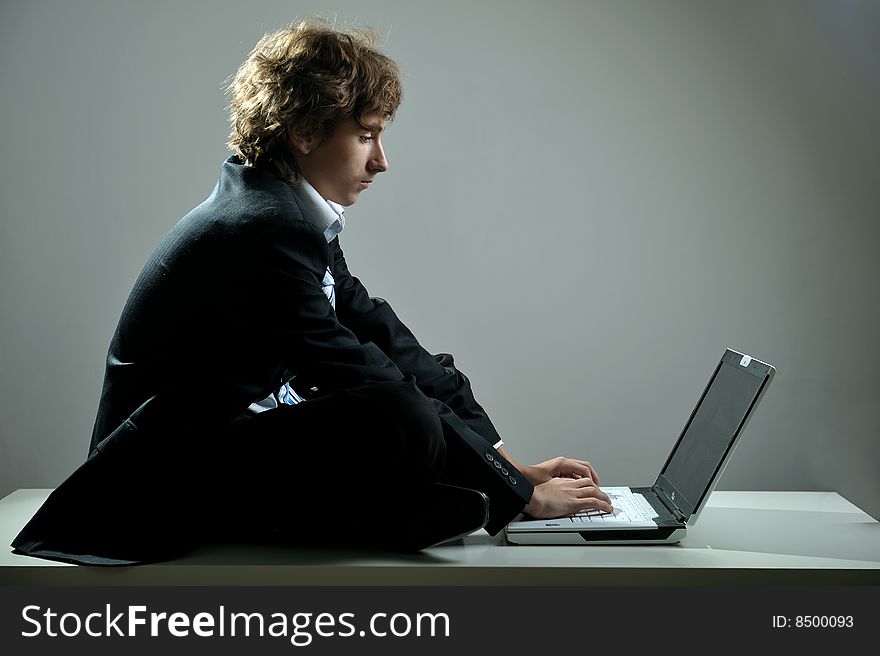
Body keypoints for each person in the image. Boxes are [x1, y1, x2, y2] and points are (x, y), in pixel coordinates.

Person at [12, 18, 611, 565]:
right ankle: (390, 515)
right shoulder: (260, 228)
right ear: (303, 131)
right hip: (156, 483)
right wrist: (519, 496)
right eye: (368, 135)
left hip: (231, 447)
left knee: (421, 386)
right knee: (400, 414)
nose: (382, 161)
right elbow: (357, 372)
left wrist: (502, 463)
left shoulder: (284, 212)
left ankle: (403, 510)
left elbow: (381, 335)